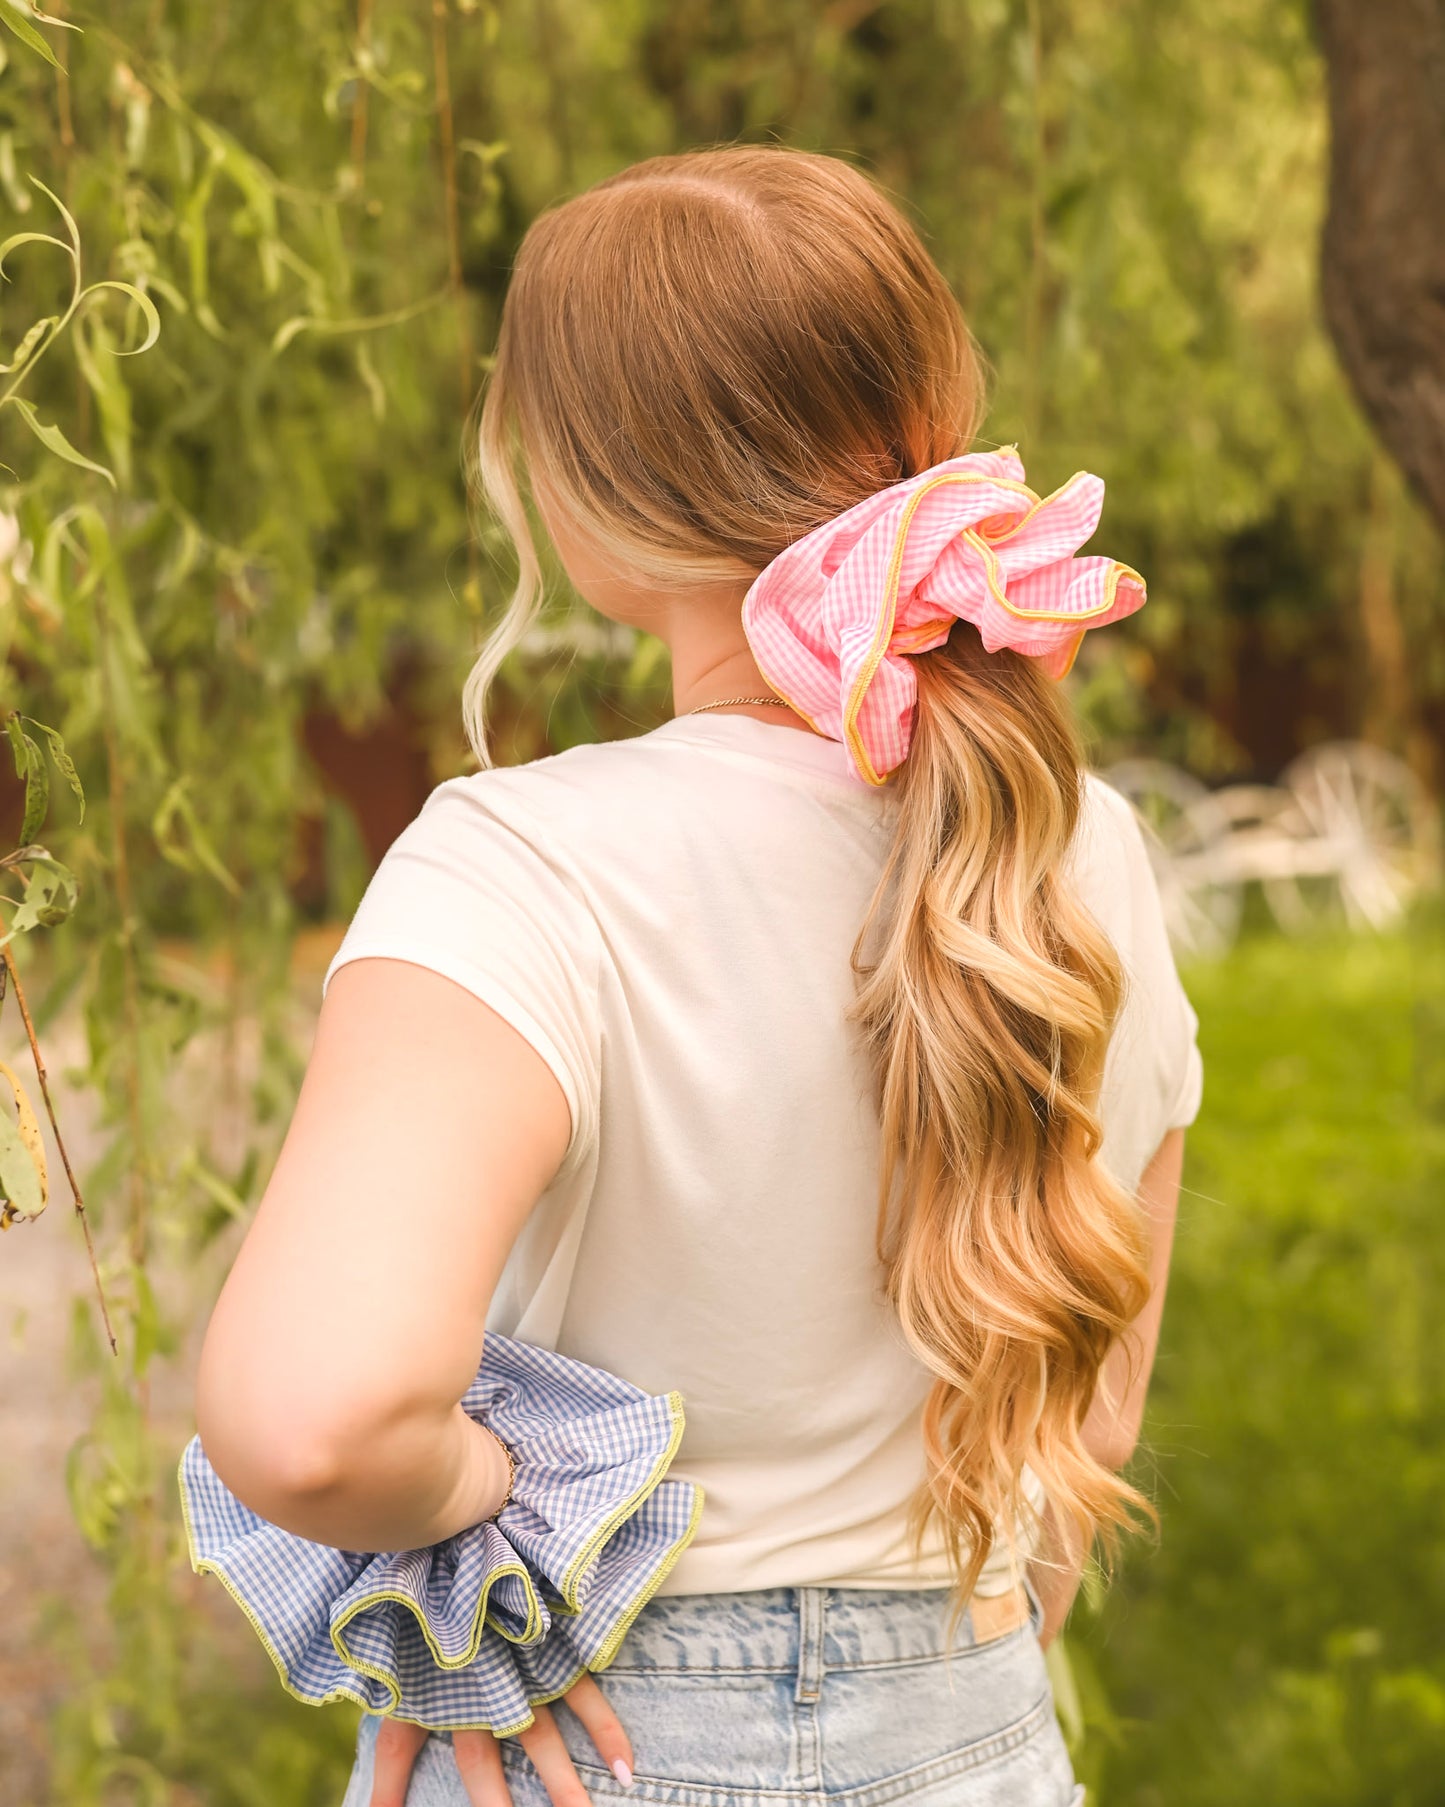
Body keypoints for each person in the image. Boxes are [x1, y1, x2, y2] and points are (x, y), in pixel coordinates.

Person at [193, 145, 1201, 1807]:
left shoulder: (523, 865)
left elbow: (315, 1422)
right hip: (980, 1727)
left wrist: (486, 1528)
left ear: (579, 501)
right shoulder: (1077, 850)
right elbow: (1082, 1435)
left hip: (596, 1745)